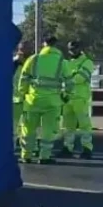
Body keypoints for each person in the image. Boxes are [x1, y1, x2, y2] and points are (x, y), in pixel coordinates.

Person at [18, 36, 66, 164]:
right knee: (48, 130)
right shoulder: (61, 62)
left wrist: (23, 94)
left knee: (28, 129)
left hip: (33, 101)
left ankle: (26, 155)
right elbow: (69, 81)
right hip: (52, 102)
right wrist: (66, 96)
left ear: (44, 44)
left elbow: (23, 78)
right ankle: (44, 157)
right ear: (55, 45)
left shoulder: (33, 59)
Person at [58, 40, 95, 159]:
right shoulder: (67, 63)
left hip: (80, 98)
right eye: (71, 49)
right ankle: (67, 147)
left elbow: (80, 78)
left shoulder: (87, 62)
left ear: (80, 49)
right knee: (68, 125)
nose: (73, 51)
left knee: (84, 125)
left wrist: (67, 79)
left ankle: (87, 148)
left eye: (75, 49)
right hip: (68, 98)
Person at [12, 47, 28, 155]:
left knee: (26, 127)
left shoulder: (28, 65)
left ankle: (27, 149)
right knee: (14, 127)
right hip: (15, 100)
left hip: (26, 100)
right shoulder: (13, 65)